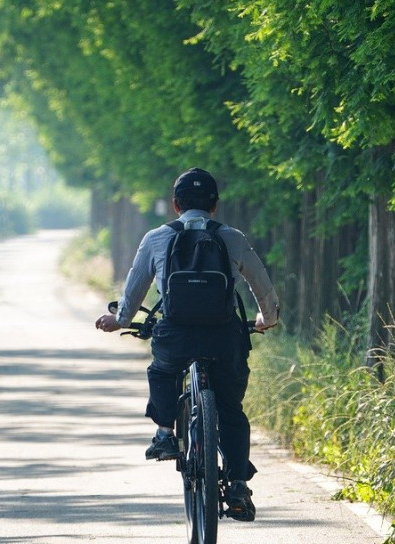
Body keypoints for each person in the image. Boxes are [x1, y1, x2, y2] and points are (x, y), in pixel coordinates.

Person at [95, 168, 279, 521]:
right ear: (215, 205)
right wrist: (266, 319)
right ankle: (238, 483)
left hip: (175, 335)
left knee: (162, 370)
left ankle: (164, 432)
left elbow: (134, 289)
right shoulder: (232, 237)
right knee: (230, 408)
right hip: (224, 337)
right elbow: (261, 284)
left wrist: (119, 319)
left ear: (176, 205)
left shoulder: (156, 238)